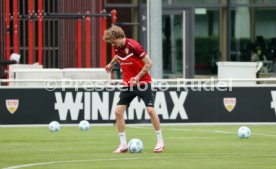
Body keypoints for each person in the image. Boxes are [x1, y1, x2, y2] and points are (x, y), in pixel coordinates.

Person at [103, 25, 164, 153]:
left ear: (119, 37)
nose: (113, 45)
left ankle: (160, 142)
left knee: (151, 110)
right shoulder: (117, 47)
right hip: (128, 84)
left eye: (114, 42)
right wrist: (111, 63)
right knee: (118, 112)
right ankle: (123, 145)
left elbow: (149, 63)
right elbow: (118, 56)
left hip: (142, 83)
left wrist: (138, 77)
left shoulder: (134, 46)